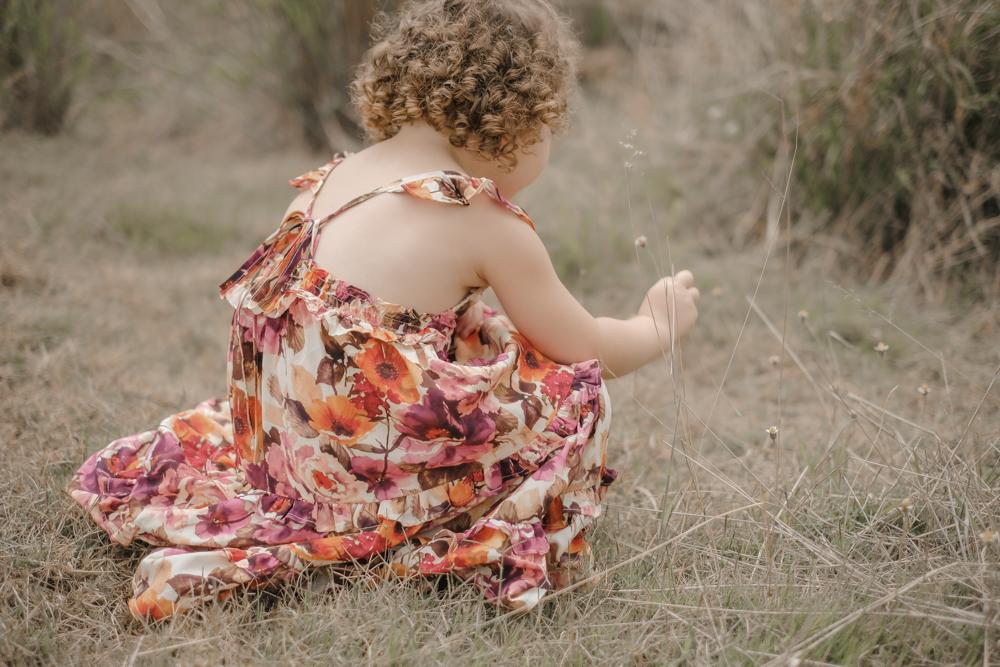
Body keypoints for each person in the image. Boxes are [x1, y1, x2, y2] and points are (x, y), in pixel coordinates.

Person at [66, 0, 700, 622]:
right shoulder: (477, 216)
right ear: (520, 120)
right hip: (360, 476)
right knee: (577, 396)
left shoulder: (338, 177)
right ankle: (439, 519)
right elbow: (585, 346)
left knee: (479, 337)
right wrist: (657, 325)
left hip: (284, 461)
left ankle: (321, 508)